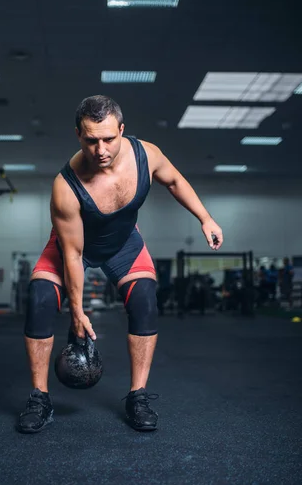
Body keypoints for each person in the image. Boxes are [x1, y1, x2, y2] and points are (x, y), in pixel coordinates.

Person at [17, 95, 223, 434]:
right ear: (78, 135)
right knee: (39, 299)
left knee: (145, 299)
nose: (100, 149)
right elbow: (72, 254)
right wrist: (77, 312)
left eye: (108, 139)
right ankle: (40, 398)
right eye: (91, 140)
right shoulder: (65, 186)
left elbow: (173, 181)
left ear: (122, 130)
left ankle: (137, 396)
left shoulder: (147, 155)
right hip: (74, 247)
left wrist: (205, 218)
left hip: (123, 242)